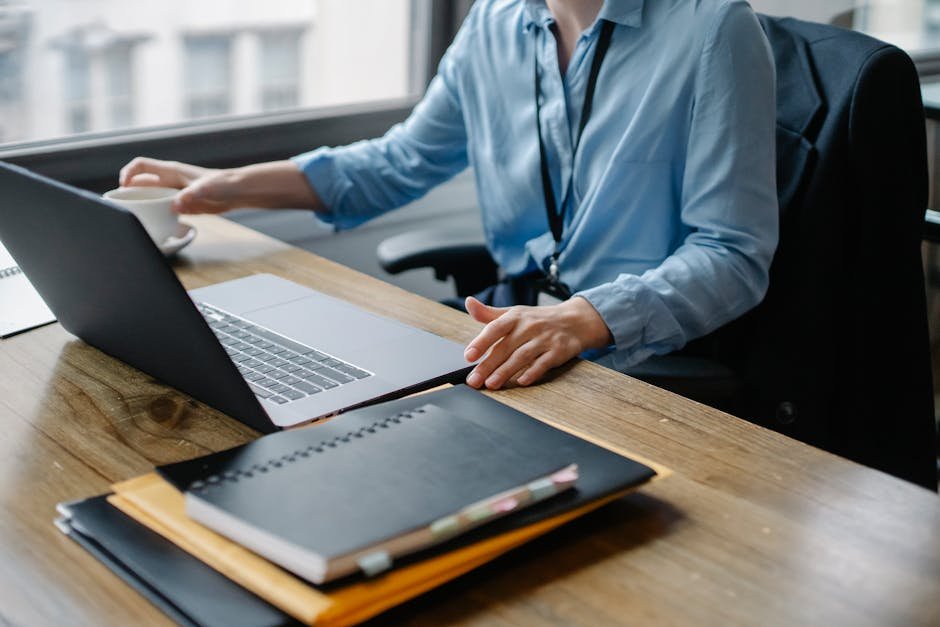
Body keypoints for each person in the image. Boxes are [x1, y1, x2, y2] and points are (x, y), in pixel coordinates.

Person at [120, 0, 778, 392]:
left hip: (637, 360)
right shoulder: (493, 23)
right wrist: (224, 188)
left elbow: (732, 255)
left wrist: (584, 318)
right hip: (508, 333)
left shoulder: (715, 29)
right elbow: (399, 161)